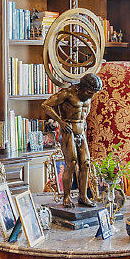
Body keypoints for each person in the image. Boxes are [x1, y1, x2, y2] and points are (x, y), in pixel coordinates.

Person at [41, 72, 103, 207]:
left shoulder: (88, 95)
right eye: (89, 92)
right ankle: (67, 197)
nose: (91, 96)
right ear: (82, 87)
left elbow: (84, 112)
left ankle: (83, 196)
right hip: (68, 131)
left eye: (93, 93)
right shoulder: (67, 93)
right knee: (71, 163)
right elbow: (46, 105)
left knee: (86, 163)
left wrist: (83, 122)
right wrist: (60, 121)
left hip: (81, 131)